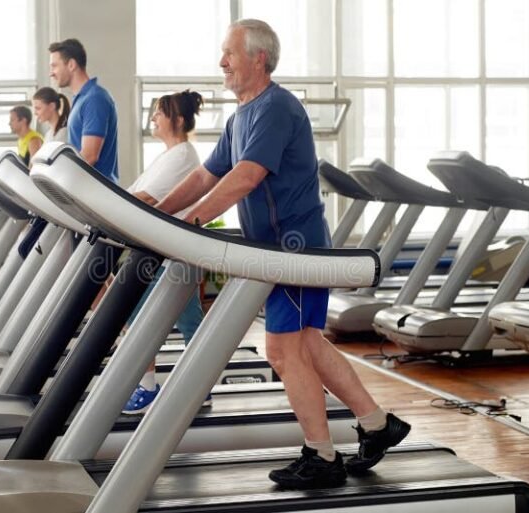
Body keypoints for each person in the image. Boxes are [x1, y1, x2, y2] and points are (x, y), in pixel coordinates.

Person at [155, 19, 410, 490]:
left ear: (259, 58)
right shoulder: (241, 117)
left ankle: (322, 456)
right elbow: (206, 177)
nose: (221, 62)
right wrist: (156, 210)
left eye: (229, 53)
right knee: (307, 344)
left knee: (282, 348)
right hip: (276, 252)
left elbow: (246, 177)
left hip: (293, 249)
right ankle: (377, 425)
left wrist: (191, 221)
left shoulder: (275, 108)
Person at [121, 90, 207, 414]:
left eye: (160, 112)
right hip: (164, 247)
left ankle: (148, 387)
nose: (154, 117)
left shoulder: (183, 155)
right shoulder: (170, 155)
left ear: (179, 120)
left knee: (138, 313)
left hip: (171, 249)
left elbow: (147, 199)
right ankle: (202, 384)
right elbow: (137, 194)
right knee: (187, 318)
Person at [48, 38, 118, 183]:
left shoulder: (94, 99)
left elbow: (90, 155)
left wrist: (59, 180)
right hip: (84, 189)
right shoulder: (81, 98)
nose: (51, 73)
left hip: (96, 193)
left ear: (71, 65)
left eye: (54, 66)